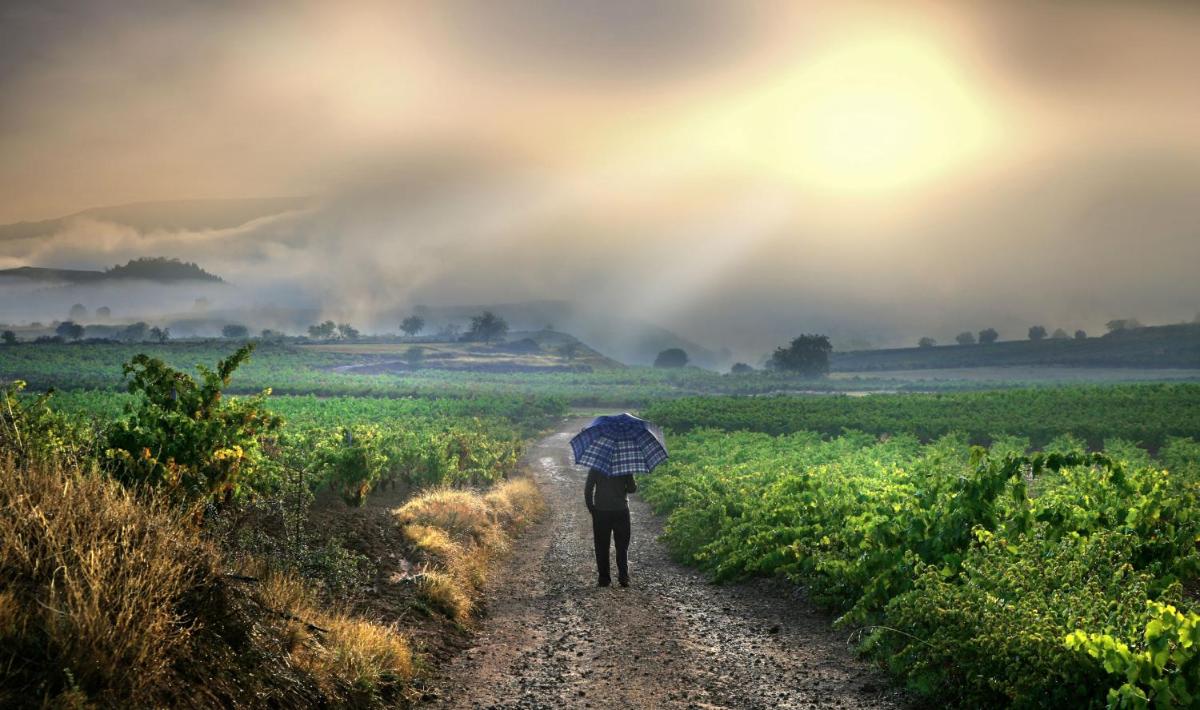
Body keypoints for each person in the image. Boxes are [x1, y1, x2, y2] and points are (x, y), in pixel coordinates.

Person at [584, 467, 637, 587]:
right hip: (621, 511)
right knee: (622, 546)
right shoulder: (624, 466)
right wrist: (631, 477)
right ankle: (623, 577)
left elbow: (588, 490)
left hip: (601, 511)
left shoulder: (596, 467)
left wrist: (592, 508)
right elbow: (632, 489)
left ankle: (604, 579)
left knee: (601, 546)